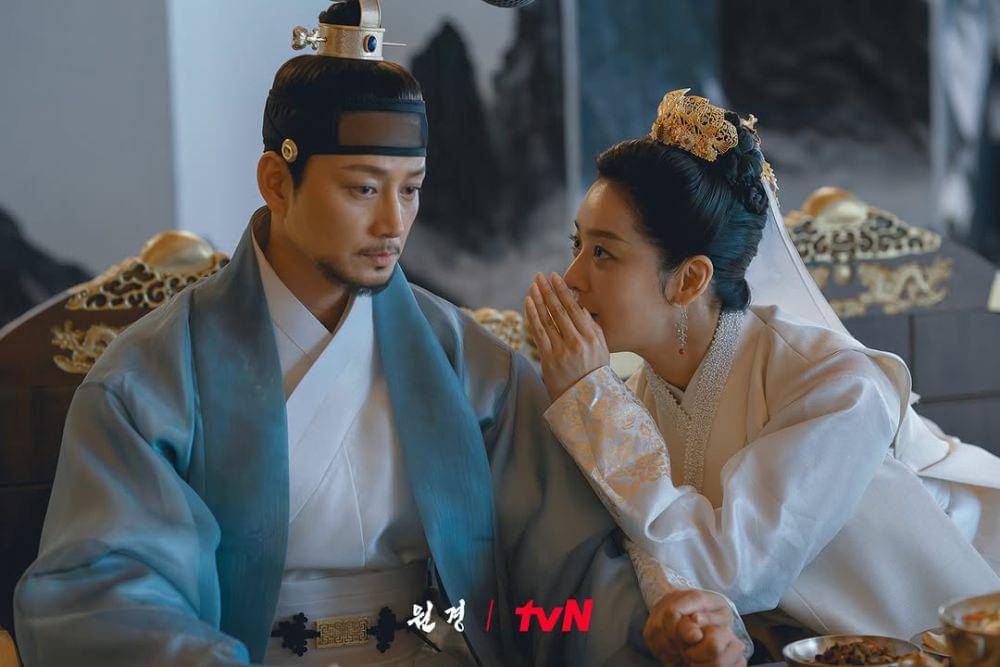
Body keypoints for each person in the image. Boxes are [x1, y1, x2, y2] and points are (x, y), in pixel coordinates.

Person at [13, 5, 746, 666]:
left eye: (412, 188)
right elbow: (110, 595)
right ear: (277, 182)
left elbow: (565, 573)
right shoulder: (153, 377)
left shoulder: (471, 366)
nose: (394, 223)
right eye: (363, 188)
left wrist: (652, 628)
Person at [525, 88, 1000, 659]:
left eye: (603, 253)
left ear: (689, 280)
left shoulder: (837, 386)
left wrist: (589, 399)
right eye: (577, 244)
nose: (571, 277)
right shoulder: (640, 399)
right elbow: (663, 552)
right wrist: (699, 625)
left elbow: (738, 567)